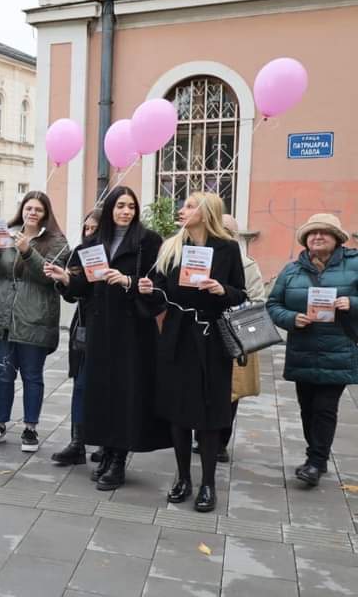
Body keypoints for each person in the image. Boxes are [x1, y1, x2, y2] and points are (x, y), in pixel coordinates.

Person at [46, 189, 171, 490]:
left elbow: (160, 286)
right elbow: (84, 286)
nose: (125, 212)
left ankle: (118, 460)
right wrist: (66, 280)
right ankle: (105, 451)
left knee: (127, 395)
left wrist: (129, 282)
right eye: (120, 206)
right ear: (111, 209)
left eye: (131, 207)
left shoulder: (149, 242)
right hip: (100, 330)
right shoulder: (93, 243)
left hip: (133, 332)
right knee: (102, 394)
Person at [137, 192, 245, 512]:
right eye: (182, 205)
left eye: (188, 206)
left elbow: (241, 293)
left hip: (211, 338)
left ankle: (208, 484)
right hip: (177, 335)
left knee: (209, 413)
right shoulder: (172, 247)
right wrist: (148, 289)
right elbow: (158, 291)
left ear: (206, 211)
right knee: (178, 410)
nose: (181, 210)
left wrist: (221, 289)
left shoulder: (227, 248)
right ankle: (183, 477)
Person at [267, 213, 357, 487]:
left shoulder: (355, 264)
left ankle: (315, 462)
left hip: (338, 349)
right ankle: (317, 454)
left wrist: (351, 302)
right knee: (307, 408)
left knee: (325, 408)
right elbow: (273, 304)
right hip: (302, 348)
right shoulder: (292, 270)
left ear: (337, 239)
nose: (317, 237)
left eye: (324, 233)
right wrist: (291, 319)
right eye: (312, 233)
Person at [0, 191, 70, 452]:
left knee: (31, 375)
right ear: (22, 210)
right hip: (2, 313)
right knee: (2, 374)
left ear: (46, 214)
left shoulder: (58, 241)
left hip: (35, 316)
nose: (32, 213)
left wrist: (28, 251)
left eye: (38, 210)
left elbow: (49, 276)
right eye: (28, 208)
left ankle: (30, 428)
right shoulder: (7, 232)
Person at [49, 209, 100, 467]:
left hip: (109, 328)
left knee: (104, 387)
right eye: (86, 228)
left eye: (94, 228)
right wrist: (63, 281)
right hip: (83, 325)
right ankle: (77, 443)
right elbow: (71, 294)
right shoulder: (79, 251)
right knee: (80, 384)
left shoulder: (113, 253)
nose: (89, 233)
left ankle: (106, 442)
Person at [214, 214, 267, 461]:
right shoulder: (198, 255)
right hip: (202, 332)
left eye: (227, 230)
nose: (222, 233)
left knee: (230, 389)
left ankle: (220, 441)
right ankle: (201, 434)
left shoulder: (246, 263)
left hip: (234, 334)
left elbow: (257, 299)